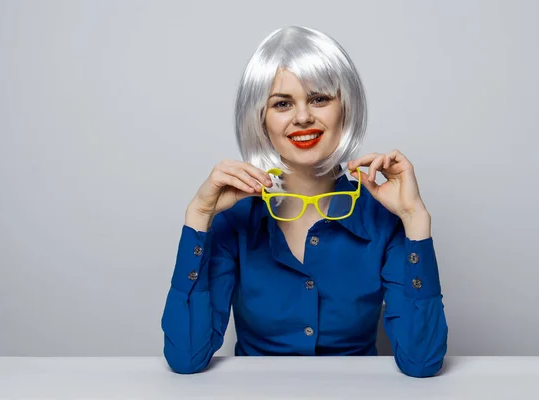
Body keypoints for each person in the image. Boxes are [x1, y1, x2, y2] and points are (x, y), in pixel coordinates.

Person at [161, 25, 448, 378]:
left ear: (346, 108)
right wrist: (198, 215)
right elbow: (187, 357)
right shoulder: (235, 217)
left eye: (319, 99)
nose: (302, 117)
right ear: (260, 120)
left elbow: (422, 362)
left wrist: (415, 219)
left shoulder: (382, 217)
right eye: (282, 103)